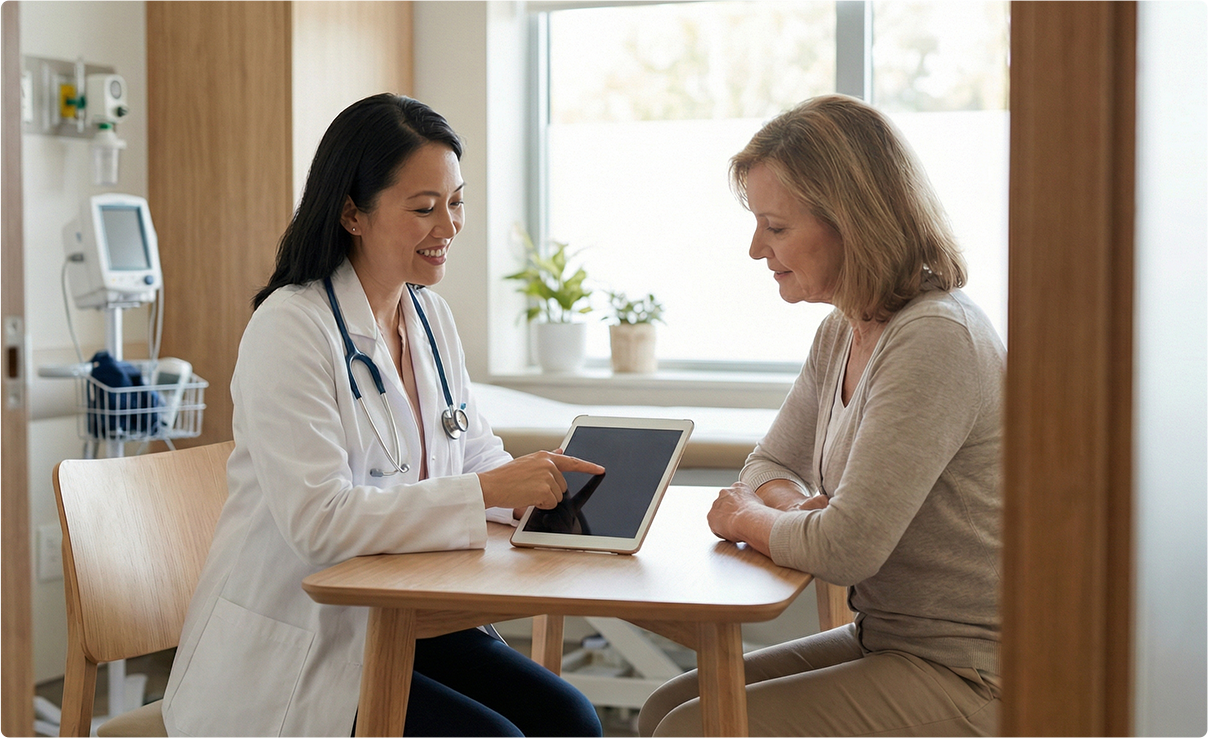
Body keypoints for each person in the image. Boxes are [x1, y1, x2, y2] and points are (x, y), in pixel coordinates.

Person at [161, 94, 604, 738]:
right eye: (424, 208)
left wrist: (542, 499)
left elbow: (475, 452)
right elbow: (320, 520)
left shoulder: (429, 317)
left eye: (455, 202)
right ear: (352, 213)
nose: (449, 227)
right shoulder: (291, 327)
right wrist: (484, 493)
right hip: (304, 643)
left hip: (407, 619)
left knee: (570, 719)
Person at [639, 95, 1005, 738]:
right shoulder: (844, 330)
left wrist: (750, 518)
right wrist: (784, 510)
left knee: (688, 731)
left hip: (972, 672)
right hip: (887, 639)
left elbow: (846, 547)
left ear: (853, 224)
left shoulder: (935, 339)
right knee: (663, 710)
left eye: (775, 227)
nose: (757, 249)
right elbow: (769, 464)